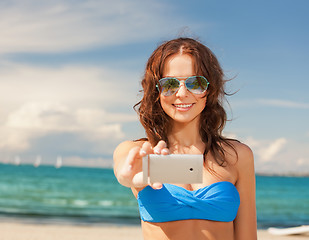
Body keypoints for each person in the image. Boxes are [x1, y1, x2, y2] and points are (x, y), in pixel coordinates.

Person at [113, 37, 257, 240]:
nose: (182, 93)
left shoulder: (238, 156)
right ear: (157, 90)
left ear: (209, 90)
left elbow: (248, 236)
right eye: (170, 83)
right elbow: (124, 172)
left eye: (195, 83)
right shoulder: (138, 152)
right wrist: (130, 177)